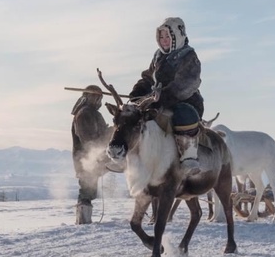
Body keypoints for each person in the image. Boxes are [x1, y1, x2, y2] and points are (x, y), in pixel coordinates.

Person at [128, 17, 205, 174]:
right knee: (133, 115)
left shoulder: (189, 56)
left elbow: (186, 83)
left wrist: (163, 96)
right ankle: (129, 152)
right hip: (157, 100)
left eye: (167, 37)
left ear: (178, 36)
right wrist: (139, 92)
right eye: (161, 37)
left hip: (185, 100)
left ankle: (189, 157)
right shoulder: (158, 56)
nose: (164, 41)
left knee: (184, 114)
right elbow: (148, 77)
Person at [71, 85, 113, 224]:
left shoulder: (91, 113)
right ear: (87, 96)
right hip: (86, 159)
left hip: (94, 157)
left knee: (89, 189)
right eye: (95, 96)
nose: (98, 100)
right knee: (86, 190)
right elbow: (89, 140)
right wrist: (109, 134)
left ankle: (83, 221)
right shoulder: (84, 114)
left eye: (99, 97)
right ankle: (83, 222)